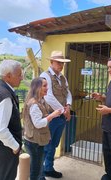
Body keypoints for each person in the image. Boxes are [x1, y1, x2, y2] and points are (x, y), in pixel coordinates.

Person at [40, 50, 72, 178]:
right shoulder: (45, 76)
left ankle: (49, 168)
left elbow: (68, 93)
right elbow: (48, 97)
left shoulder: (62, 77)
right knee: (46, 145)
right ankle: (40, 172)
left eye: (62, 63)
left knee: (54, 144)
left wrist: (68, 106)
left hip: (61, 117)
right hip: (51, 117)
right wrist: (64, 110)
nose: (61, 65)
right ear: (51, 62)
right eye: (58, 62)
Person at [22, 77, 62, 180]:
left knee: (38, 167)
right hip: (34, 142)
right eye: (44, 85)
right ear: (37, 88)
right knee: (35, 170)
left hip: (35, 140)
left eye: (47, 85)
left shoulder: (40, 101)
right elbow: (38, 124)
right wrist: (52, 115)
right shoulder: (34, 104)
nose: (47, 88)